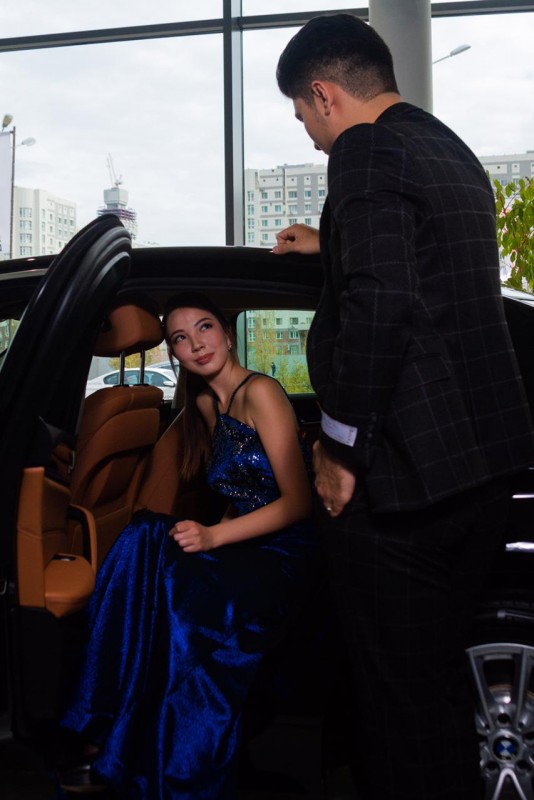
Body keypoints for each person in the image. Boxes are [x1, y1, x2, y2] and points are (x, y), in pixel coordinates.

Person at [273, 14, 534, 800]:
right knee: (437, 691)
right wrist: (333, 243)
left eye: (303, 115)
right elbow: (430, 268)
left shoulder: (363, 150)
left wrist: (338, 448)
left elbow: (380, 303)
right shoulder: (445, 148)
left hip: (405, 486)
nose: (311, 135)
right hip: (479, 467)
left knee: (398, 712)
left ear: (324, 94)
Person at [59, 292, 320, 799]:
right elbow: (241, 493)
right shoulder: (204, 404)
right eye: (180, 337)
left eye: (204, 327)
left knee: (178, 593)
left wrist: (214, 537)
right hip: (247, 541)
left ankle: (152, 754)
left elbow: (296, 504)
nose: (196, 344)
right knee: (144, 541)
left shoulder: (261, 392)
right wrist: (213, 538)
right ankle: (106, 727)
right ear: (174, 353)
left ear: (227, 333)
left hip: (288, 552)